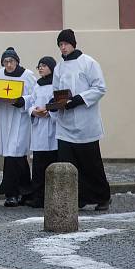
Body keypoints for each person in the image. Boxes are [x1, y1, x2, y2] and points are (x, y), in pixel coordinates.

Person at [52, 29, 110, 210]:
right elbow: (56, 90)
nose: (63, 48)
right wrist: (54, 103)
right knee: (68, 164)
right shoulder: (59, 67)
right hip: (65, 125)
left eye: (65, 44)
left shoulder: (88, 63)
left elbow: (100, 88)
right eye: (60, 45)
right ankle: (77, 198)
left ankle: (103, 197)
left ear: (73, 44)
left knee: (91, 164)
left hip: (86, 124)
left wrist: (78, 100)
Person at [0, 47, 36, 207]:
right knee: (16, 156)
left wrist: (23, 100)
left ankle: (11, 193)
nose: (8, 65)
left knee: (14, 153)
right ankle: (26, 191)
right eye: (5, 62)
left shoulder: (27, 75)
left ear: (17, 61)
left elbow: (35, 96)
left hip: (19, 119)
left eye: (11, 61)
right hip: (5, 117)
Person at [24, 56, 59, 208]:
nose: (40, 68)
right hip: (39, 129)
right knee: (38, 169)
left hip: (52, 129)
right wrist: (33, 112)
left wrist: (49, 110)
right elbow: (30, 103)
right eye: (39, 66)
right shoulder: (37, 85)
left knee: (52, 165)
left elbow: (58, 102)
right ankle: (38, 197)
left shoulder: (56, 84)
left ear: (51, 67)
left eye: (44, 65)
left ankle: (53, 198)